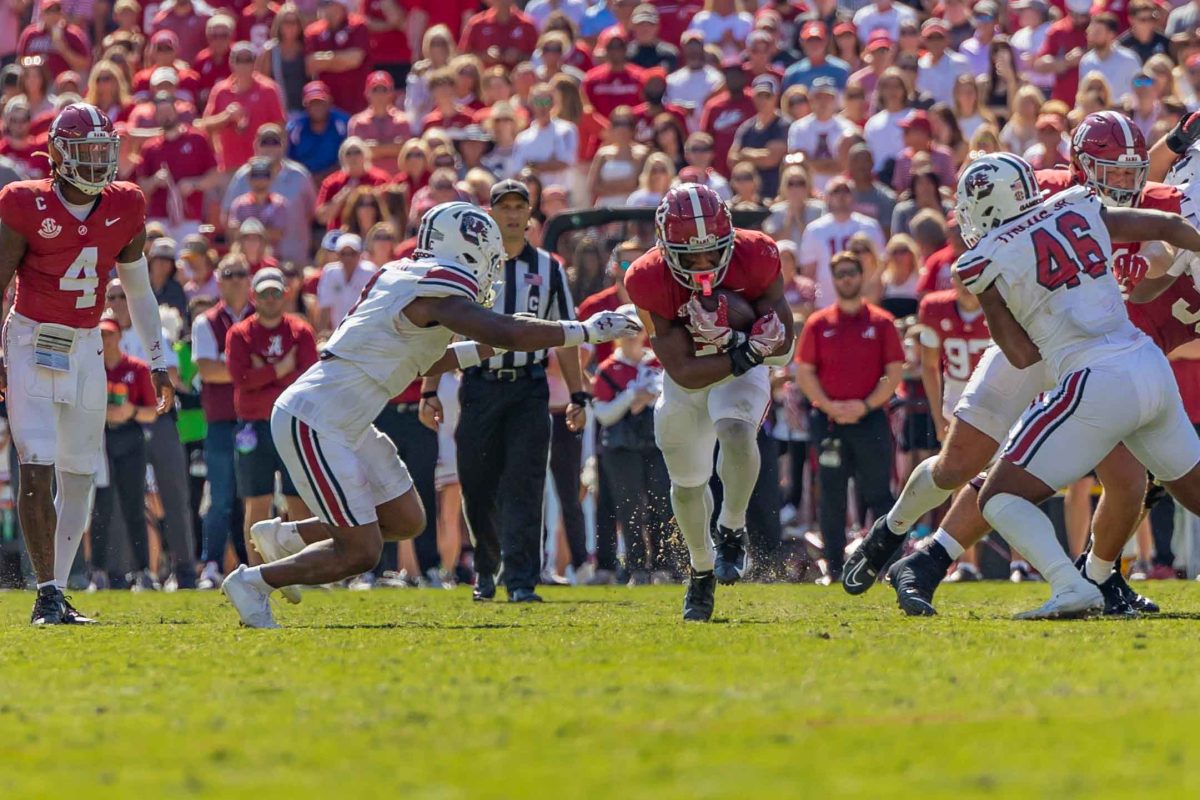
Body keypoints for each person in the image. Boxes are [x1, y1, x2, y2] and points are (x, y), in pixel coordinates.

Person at [221, 202, 639, 627]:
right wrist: (584, 329)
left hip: (347, 417)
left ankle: (286, 536)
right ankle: (254, 582)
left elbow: (423, 361)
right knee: (361, 551)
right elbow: (504, 330)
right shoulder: (436, 285)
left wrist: (498, 343)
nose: (493, 267)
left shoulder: (407, 277)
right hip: (317, 419)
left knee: (405, 518)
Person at [861, 122, 1193, 617]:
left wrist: (1151, 267)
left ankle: (1097, 579)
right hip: (1047, 341)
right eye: (1113, 171)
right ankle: (899, 534)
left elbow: (1161, 240)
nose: (1124, 183)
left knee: (1124, 480)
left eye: (1131, 173)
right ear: (1080, 167)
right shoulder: (1055, 191)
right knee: (960, 464)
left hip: (1101, 357)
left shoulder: (1159, 203)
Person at [0, 103, 172, 625]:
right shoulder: (22, 203)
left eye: (104, 151)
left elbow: (139, 293)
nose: (98, 163)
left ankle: (55, 594)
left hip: (87, 344)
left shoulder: (126, 204)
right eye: (86, 152)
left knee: (79, 474)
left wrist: (158, 357)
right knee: (36, 464)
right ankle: (47, 591)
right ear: (56, 154)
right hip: (31, 341)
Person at [623, 183, 794, 621]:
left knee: (736, 432)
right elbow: (682, 369)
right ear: (664, 247)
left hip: (740, 365)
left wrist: (745, 345)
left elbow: (785, 347)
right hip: (691, 379)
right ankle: (701, 571)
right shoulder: (645, 278)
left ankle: (732, 527)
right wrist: (744, 349)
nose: (702, 264)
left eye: (711, 252)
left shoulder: (758, 254)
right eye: (690, 255)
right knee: (687, 485)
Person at [421, 180, 593, 602]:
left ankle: (520, 580)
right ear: (491, 215)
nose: (513, 215)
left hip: (529, 389)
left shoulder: (550, 268)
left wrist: (578, 394)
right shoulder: (472, 265)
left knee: (526, 483)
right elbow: (442, 332)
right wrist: (427, 390)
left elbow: (565, 336)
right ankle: (485, 566)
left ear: (530, 214)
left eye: (520, 207)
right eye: (505, 207)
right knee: (477, 484)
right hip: (479, 387)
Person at [794, 250, 902, 583]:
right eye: (839, 274)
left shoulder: (881, 322)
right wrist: (828, 405)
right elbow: (805, 371)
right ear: (834, 279)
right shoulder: (818, 323)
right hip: (829, 422)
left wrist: (866, 405)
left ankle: (886, 565)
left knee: (879, 494)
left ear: (861, 276)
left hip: (870, 421)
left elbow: (893, 371)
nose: (846, 279)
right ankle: (835, 567)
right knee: (830, 495)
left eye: (851, 273)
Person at [226, 268, 318, 591]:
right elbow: (241, 379)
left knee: (299, 499)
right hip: (253, 425)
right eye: (264, 293)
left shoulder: (301, 332)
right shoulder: (239, 334)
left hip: (293, 424)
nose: (270, 299)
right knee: (256, 501)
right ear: (254, 296)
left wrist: (261, 371)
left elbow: (307, 379)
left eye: (275, 293)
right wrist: (280, 369)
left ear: (286, 294)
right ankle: (258, 573)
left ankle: (304, 570)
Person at [592, 307, 672, 584]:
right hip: (621, 449)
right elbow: (603, 414)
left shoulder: (657, 364)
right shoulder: (608, 369)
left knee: (662, 504)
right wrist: (631, 397)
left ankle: (664, 566)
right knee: (630, 508)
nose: (631, 336)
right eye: (624, 331)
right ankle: (637, 568)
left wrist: (647, 398)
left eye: (635, 330)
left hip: (655, 443)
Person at [192, 254, 254, 590]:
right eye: (228, 275)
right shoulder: (206, 321)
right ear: (218, 281)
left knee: (256, 495)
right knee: (220, 497)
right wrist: (255, 370)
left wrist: (234, 368)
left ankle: (254, 564)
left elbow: (221, 368)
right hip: (220, 422)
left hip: (256, 420)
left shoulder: (263, 317)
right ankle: (211, 562)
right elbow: (207, 370)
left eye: (241, 274)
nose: (235, 280)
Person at [88, 315, 160, 590]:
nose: (105, 341)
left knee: (134, 506)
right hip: (101, 440)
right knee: (101, 507)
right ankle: (97, 571)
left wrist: (130, 411)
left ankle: (143, 570)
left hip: (130, 438)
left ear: (119, 336)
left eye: (109, 335)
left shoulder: (137, 369)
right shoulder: (91, 369)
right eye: (101, 335)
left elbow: (152, 413)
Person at [798, 177, 885, 309]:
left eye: (846, 191)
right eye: (836, 191)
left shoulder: (870, 227)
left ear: (854, 196)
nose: (841, 195)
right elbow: (808, 273)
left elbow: (880, 266)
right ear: (827, 198)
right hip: (825, 304)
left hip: (864, 303)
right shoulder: (814, 230)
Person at [316, 234, 375, 335]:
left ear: (359, 254)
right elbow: (324, 308)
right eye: (344, 253)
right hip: (337, 332)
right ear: (338, 255)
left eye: (352, 253)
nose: (348, 257)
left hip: (364, 333)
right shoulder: (330, 272)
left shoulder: (370, 272)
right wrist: (320, 334)